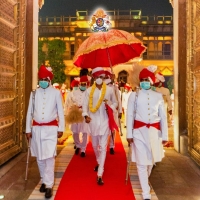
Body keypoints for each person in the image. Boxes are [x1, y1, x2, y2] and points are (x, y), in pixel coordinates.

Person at [126, 66, 168, 200]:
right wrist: (129, 134)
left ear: (151, 80)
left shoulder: (158, 96)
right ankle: (146, 194)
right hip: (139, 133)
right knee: (141, 163)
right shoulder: (134, 95)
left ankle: (145, 183)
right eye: (142, 80)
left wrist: (165, 135)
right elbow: (129, 115)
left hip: (154, 133)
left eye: (146, 79)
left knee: (151, 162)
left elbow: (163, 117)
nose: (144, 82)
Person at [26, 65, 65, 199]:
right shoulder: (34, 93)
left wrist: (61, 128)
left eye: (44, 79)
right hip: (36, 129)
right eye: (40, 79)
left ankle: (49, 185)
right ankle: (43, 179)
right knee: (39, 157)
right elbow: (29, 112)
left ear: (49, 79)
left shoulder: (56, 93)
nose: (42, 81)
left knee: (49, 157)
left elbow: (60, 111)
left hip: (51, 129)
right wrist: (27, 130)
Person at [82, 67, 118, 185]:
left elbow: (116, 103)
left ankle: (100, 173)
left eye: (100, 77)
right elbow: (85, 106)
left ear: (104, 78)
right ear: (93, 78)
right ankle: (98, 162)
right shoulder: (88, 91)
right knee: (95, 145)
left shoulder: (109, 90)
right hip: (93, 122)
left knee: (103, 147)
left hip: (105, 122)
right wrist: (86, 116)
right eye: (96, 77)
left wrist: (109, 105)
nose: (99, 79)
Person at [64, 75, 91, 157]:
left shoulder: (90, 93)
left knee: (85, 132)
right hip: (75, 113)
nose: (83, 86)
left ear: (87, 84)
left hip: (85, 113)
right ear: (79, 84)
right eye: (82, 84)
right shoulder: (73, 93)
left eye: (85, 84)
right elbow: (67, 103)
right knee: (75, 131)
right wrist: (66, 113)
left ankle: (83, 149)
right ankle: (78, 145)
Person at [104, 68, 122, 154]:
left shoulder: (115, 87)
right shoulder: (102, 87)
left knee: (113, 129)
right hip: (103, 111)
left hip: (113, 110)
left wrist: (120, 111)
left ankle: (111, 146)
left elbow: (118, 99)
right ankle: (103, 145)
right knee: (104, 128)